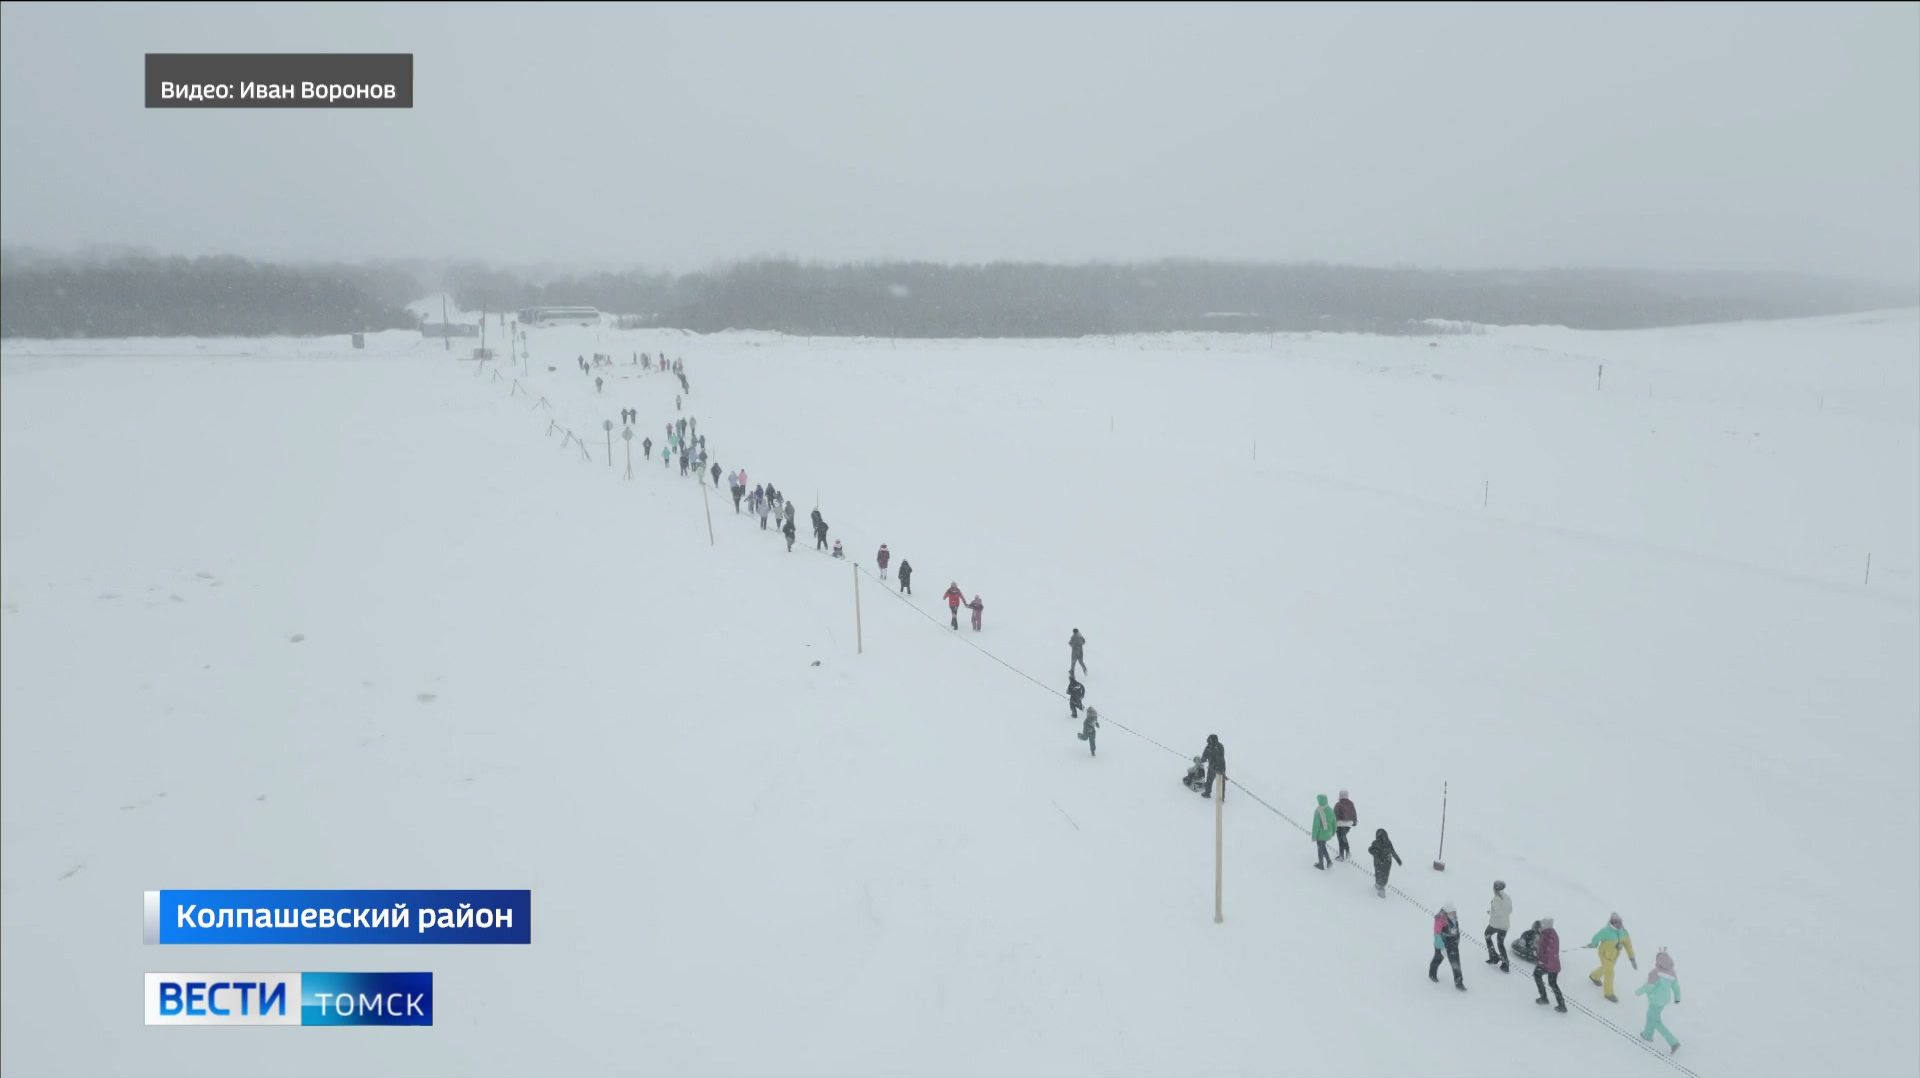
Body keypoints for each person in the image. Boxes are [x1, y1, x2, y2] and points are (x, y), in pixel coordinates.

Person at [1634, 949, 1681, 1054]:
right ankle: (1647, 1034)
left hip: (1655, 1000)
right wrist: (1677, 998)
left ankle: (1673, 1042)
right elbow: (1676, 987)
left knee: (1656, 1021)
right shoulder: (1672, 973)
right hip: (1664, 1001)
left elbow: (1649, 987)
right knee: (1651, 1016)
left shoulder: (1655, 972)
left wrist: (1638, 992)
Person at [1588, 913, 1638, 1002]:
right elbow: (1596, 937)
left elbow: (1628, 946)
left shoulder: (1624, 932)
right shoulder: (1606, 931)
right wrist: (1594, 944)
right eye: (1616, 922)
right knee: (1610, 973)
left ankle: (1594, 976)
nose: (1619, 924)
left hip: (1614, 955)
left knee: (1606, 968)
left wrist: (1632, 959)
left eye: (1620, 922)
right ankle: (1608, 994)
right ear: (1612, 923)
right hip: (1604, 954)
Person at [1430, 904, 1466, 990]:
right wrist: (1442, 948)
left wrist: (1456, 943)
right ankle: (1432, 974)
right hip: (1441, 944)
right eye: (1451, 913)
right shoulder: (1440, 920)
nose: (1453, 914)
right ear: (1445, 913)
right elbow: (1437, 935)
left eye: (1454, 913)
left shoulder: (1454, 919)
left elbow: (1456, 933)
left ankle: (1459, 983)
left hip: (1453, 945)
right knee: (1437, 959)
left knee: (1456, 963)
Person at [1534, 918, 1567, 1012]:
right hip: (1553, 964)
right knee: (1552, 983)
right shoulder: (1551, 933)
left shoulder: (1547, 935)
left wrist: (1541, 961)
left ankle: (1544, 998)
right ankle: (1561, 1005)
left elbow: (1546, 950)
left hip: (1548, 964)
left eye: (1542, 925)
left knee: (1537, 975)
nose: (1540, 927)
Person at [1486, 881, 1513, 972]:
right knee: (1500, 943)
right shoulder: (1507, 897)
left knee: (1487, 935)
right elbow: (1510, 910)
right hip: (1505, 925)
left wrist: (1491, 912)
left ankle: (1494, 957)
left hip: (1496, 924)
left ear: (1495, 888)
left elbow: (1497, 913)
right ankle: (1505, 964)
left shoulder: (1496, 898)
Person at [1367, 828, 1402, 897]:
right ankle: (1379, 885)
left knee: (1379, 874)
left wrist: (1375, 853)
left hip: (1379, 862)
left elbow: (1370, 849)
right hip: (1387, 862)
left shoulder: (1376, 842)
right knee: (1384, 875)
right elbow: (1392, 851)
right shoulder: (1388, 842)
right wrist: (1398, 860)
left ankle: (1381, 890)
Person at [1311, 794, 1337, 870]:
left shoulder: (1318, 811)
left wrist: (1314, 836)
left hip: (1320, 834)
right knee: (1323, 846)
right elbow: (1334, 822)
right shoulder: (1330, 809)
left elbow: (1316, 825)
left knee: (1320, 848)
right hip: (1327, 833)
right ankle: (1329, 861)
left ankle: (1321, 864)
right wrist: (1333, 831)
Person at [1334, 790, 1357, 861]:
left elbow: (1334, 814)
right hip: (1348, 824)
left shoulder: (1338, 804)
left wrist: (1333, 823)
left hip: (1339, 824)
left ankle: (1342, 855)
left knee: (1340, 838)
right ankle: (1347, 852)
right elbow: (1354, 812)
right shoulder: (1351, 803)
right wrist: (1355, 821)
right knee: (1343, 837)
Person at [1200, 734, 1225, 799]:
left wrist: (1220, 769)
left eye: (1210, 742)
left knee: (1221, 782)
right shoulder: (1208, 747)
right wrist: (1202, 760)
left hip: (1220, 767)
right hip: (1212, 767)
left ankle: (1221, 798)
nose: (1209, 743)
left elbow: (1220, 759)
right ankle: (1207, 793)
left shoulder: (1219, 747)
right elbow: (1204, 756)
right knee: (1209, 779)